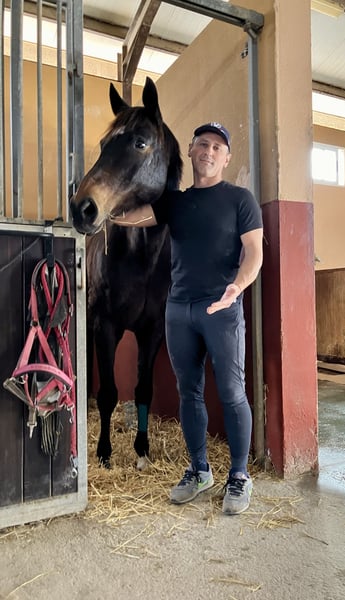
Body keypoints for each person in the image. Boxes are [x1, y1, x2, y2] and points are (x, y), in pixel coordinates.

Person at [111, 122, 263, 515]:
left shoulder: (240, 200)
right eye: (203, 144)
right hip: (179, 309)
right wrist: (102, 203)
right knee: (189, 392)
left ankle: (239, 475)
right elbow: (130, 217)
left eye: (217, 147)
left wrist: (237, 286)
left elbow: (254, 252)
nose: (209, 151)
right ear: (192, 151)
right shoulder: (175, 203)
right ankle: (199, 470)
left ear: (226, 159)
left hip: (222, 308)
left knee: (232, 391)